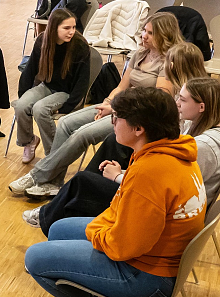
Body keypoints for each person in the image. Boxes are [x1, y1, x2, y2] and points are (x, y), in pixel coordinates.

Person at [24, 87, 206, 297]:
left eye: (117, 117)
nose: (113, 122)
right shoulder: (173, 151)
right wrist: (103, 227)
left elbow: (123, 247)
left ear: (138, 129)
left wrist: (98, 231)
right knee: (60, 228)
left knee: (35, 259)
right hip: (156, 261)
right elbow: (121, 208)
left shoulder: (150, 172)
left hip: (147, 278)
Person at [10, 11, 184, 198]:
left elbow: (159, 100)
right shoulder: (140, 54)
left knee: (81, 135)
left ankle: (38, 176)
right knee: (66, 123)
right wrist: (108, 102)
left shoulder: (169, 62)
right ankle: (54, 182)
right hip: (121, 106)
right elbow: (121, 87)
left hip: (140, 117)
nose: (144, 36)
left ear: (164, 35)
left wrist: (115, 108)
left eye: (150, 33)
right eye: (144, 30)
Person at [25, 75, 220, 232]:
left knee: (82, 182)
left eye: (183, 99)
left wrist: (119, 176)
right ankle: (59, 214)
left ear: (201, 107)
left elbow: (165, 187)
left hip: (161, 213)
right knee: (110, 145)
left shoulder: (203, 146)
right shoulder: (192, 124)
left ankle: (52, 216)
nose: (177, 102)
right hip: (157, 199)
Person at [13, 9, 90, 163]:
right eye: (66, 28)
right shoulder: (42, 40)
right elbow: (30, 69)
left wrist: (68, 106)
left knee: (40, 109)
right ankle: (29, 142)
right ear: (54, 28)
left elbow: (83, 81)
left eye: (74, 27)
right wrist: (24, 93)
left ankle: (54, 154)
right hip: (47, 86)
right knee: (21, 105)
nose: (72, 32)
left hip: (67, 92)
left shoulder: (80, 45)